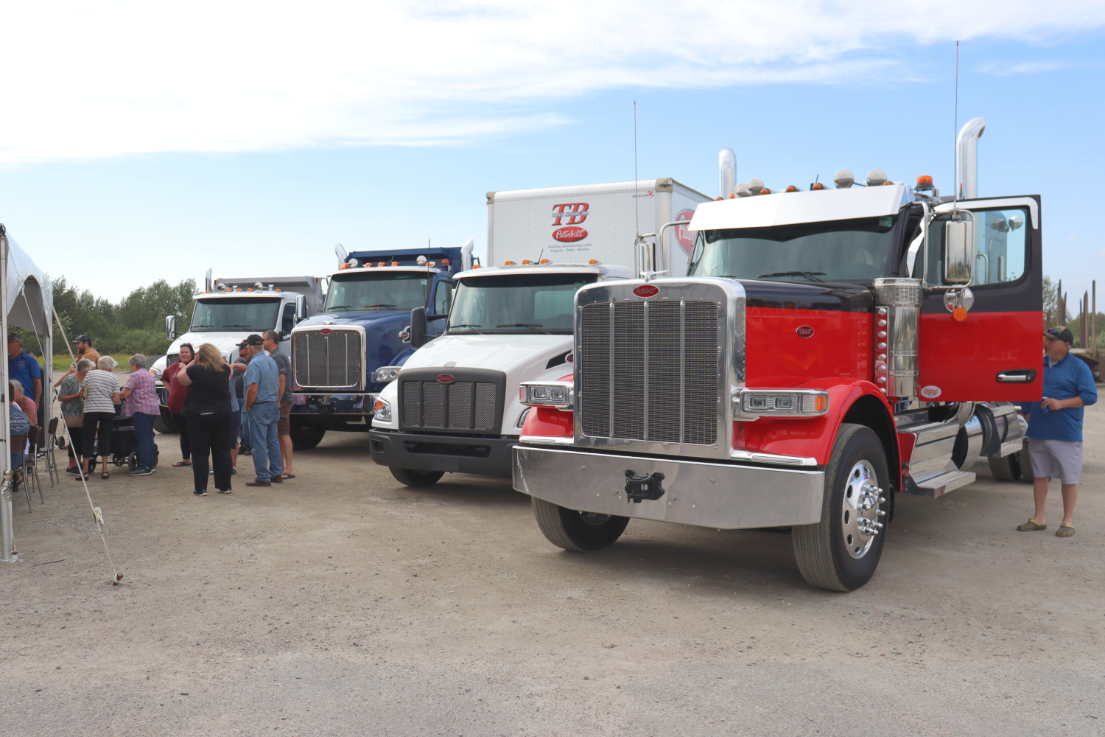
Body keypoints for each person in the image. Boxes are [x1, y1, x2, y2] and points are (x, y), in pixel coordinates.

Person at [1017, 326, 1098, 537]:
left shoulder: (1078, 367)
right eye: (1047, 339)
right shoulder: (1037, 365)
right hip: (1038, 432)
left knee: (1069, 478)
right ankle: (1039, 518)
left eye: (1052, 341)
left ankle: (1067, 521)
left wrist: (1061, 403)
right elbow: (1025, 391)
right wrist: (1027, 414)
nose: (1046, 343)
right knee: (1039, 475)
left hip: (1066, 433)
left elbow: (1090, 396)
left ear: (1066, 346)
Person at [174, 343, 233, 495]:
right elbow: (230, 369)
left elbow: (180, 377)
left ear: (200, 355)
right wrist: (218, 359)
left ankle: (201, 488)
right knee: (222, 450)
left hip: (200, 415)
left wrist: (194, 361)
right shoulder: (224, 369)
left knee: (200, 452)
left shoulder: (195, 370)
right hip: (223, 413)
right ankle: (225, 485)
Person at [242, 334, 282, 487]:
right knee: (273, 442)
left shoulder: (254, 364)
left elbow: (253, 388)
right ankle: (276, 473)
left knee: (258, 443)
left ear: (249, 348)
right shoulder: (271, 361)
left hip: (259, 406)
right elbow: (278, 383)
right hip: (272, 404)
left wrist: (247, 405)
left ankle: (263, 477)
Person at [78, 356, 121, 481]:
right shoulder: (114, 377)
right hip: (107, 410)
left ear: (99, 365)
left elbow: (82, 394)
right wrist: (108, 395)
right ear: (110, 367)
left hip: (90, 410)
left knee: (88, 439)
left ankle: (85, 471)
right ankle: (104, 470)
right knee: (105, 438)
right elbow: (116, 399)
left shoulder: (90, 374)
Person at [119, 354, 159, 476]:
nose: (130, 367)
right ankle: (150, 464)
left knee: (142, 438)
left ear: (134, 365)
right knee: (148, 437)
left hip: (141, 409)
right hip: (152, 408)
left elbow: (125, 392)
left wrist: (113, 395)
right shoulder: (149, 374)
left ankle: (144, 466)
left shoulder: (136, 375)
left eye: (130, 365)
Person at [263, 330, 295, 479]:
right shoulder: (275, 355)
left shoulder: (277, 356)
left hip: (282, 400)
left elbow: (282, 379)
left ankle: (288, 468)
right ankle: (281, 467)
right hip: (281, 399)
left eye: (263, 339)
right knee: (278, 434)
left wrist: (278, 400)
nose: (261, 342)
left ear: (271, 340)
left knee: (283, 433)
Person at [162, 343, 194, 467]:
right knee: (183, 433)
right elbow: (164, 378)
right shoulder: (173, 367)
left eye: (186, 352)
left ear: (192, 354)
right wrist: (170, 390)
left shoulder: (195, 367)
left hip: (190, 407)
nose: (184, 354)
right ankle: (185, 459)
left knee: (193, 433)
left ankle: (197, 459)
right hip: (175, 407)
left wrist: (185, 368)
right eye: (182, 352)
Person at [58, 358, 92, 474]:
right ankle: (72, 465)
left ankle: (78, 462)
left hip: (83, 414)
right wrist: (77, 395)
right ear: (85, 370)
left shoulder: (86, 379)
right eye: (91, 369)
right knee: (75, 439)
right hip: (71, 414)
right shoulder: (69, 380)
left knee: (81, 439)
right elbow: (61, 397)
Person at [8, 334, 42, 414]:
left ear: (18, 343)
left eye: (9, 342)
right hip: (9, 400)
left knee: (27, 421)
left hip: (25, 400)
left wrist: (36, 401)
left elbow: (37, 382)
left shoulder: (30, 361)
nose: (7, 344)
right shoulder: (4, 360)